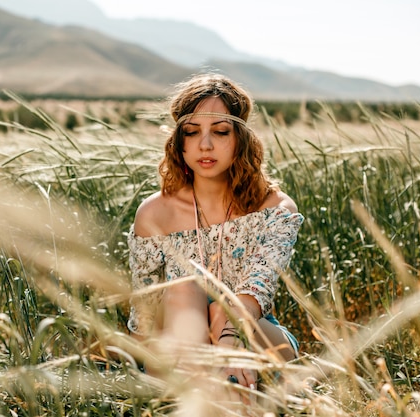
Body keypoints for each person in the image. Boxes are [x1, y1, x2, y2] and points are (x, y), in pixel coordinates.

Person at [127, 73, 303, 389]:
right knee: (184, 289)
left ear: (241, 138)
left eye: (220, 132)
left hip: (255, 338)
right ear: (179, 143)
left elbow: (256, 290)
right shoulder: (154, 214)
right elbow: (144, 310)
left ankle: (216, 392)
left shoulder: (275, 209)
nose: (205, 145)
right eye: (192, 133)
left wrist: (228, 344)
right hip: (179, 346)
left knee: (225, 308)